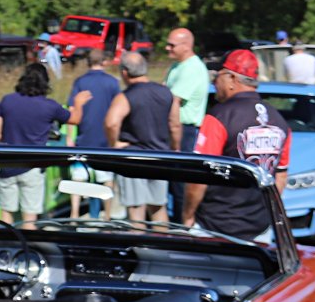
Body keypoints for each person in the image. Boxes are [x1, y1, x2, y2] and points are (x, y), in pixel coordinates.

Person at [182, 49, 292, 239]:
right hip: (260, 228)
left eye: (217, 76)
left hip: (215, 226)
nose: (214, 82)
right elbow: (280, 176)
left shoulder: (219, 116)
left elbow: (199, 177)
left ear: (232, 78)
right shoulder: (279, 121)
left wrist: (187, 215)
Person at [0, 63, 83, 224]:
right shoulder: (50, 106)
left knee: (6, 214)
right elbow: (75, 119)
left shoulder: (7, 101)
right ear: (45, 83)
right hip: (33, 166)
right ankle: (29, 239)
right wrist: (79, 103)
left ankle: (6, 238)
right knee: (29, 219)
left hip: (7, 163)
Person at [104, 51, 180, 222]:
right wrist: (175, 148)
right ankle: (162, 238)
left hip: (134, 158)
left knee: (136, 210)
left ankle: (138, 238)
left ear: (124, 72)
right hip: (161, 156)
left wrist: (114, 144)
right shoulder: (166, 93)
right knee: (158, 207)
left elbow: (111, 123)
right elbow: (175, 124)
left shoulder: (126, 96)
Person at [65, 49, 119, 218]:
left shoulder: (80, 82)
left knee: (78, 178)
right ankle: (107, 215)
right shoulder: (113, 82)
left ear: (87, 62)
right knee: (106, 178)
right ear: (104, 62)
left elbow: (72, 109)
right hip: (105, 137)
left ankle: (74, 214)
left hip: (84, 135)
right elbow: (118, 111)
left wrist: (69, 137)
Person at [164, 27, 209, 213]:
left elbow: (173, 100)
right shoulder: (177, 66)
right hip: (175, 129)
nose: (167, 48)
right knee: (171, 183)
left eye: (172, 45)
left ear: (186, 46)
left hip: (184, 130)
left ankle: (183, 223)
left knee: (180, 185)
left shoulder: (192, 68)